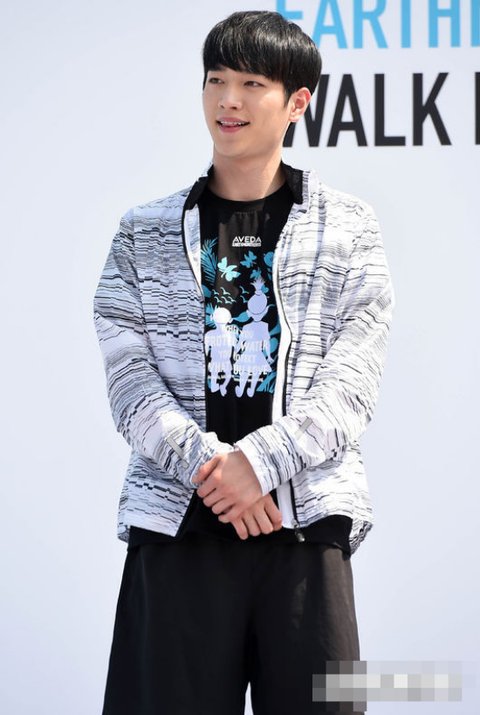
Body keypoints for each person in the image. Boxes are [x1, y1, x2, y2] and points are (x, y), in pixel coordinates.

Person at [93, 10, 394, 715]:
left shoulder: (350, 227)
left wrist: (260, 463)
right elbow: (129, 378)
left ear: (297, 101)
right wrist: (214, 468)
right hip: (177, 530)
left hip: (306, 531)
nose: (228, 100)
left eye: (252, 84)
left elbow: (354, 377)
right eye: (216, 80)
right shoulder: (142, 233)